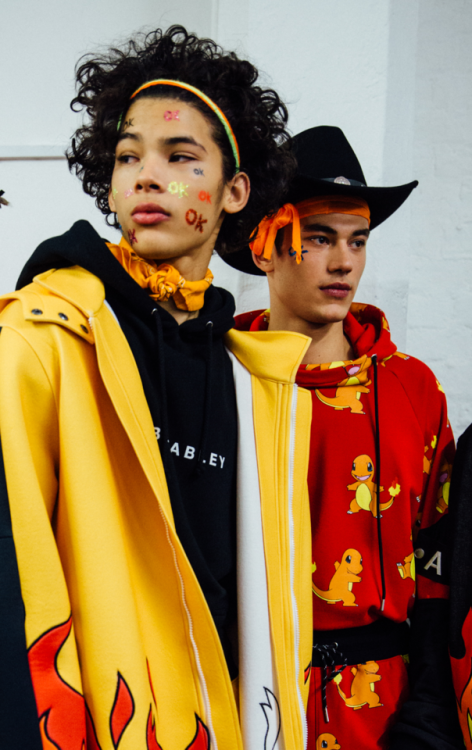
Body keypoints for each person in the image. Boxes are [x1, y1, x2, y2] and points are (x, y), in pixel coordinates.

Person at [0, 26, 313, 750]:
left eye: (179, 157)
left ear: (234, 191)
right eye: (127, 156)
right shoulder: (40, 342)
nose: (146, 175)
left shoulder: (258, 386)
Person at [223, 125, 463, 749]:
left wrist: (431, 712)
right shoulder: (220, 381)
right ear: (263, 247)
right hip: (245, 695)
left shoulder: (413, 390)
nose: (344, 262)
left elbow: (443, 568)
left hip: (385, 708)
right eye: (320, 238)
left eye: (358, 241)